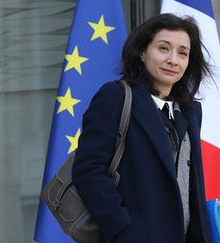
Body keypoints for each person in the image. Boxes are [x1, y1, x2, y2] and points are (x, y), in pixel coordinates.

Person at [71, 13, 213, 243]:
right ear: (142, 52)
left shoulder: (189, 111)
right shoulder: (115, 97)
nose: (173, 60)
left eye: (182, 53)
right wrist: (122, 228)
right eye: (163, 48)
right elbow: (88, 170)